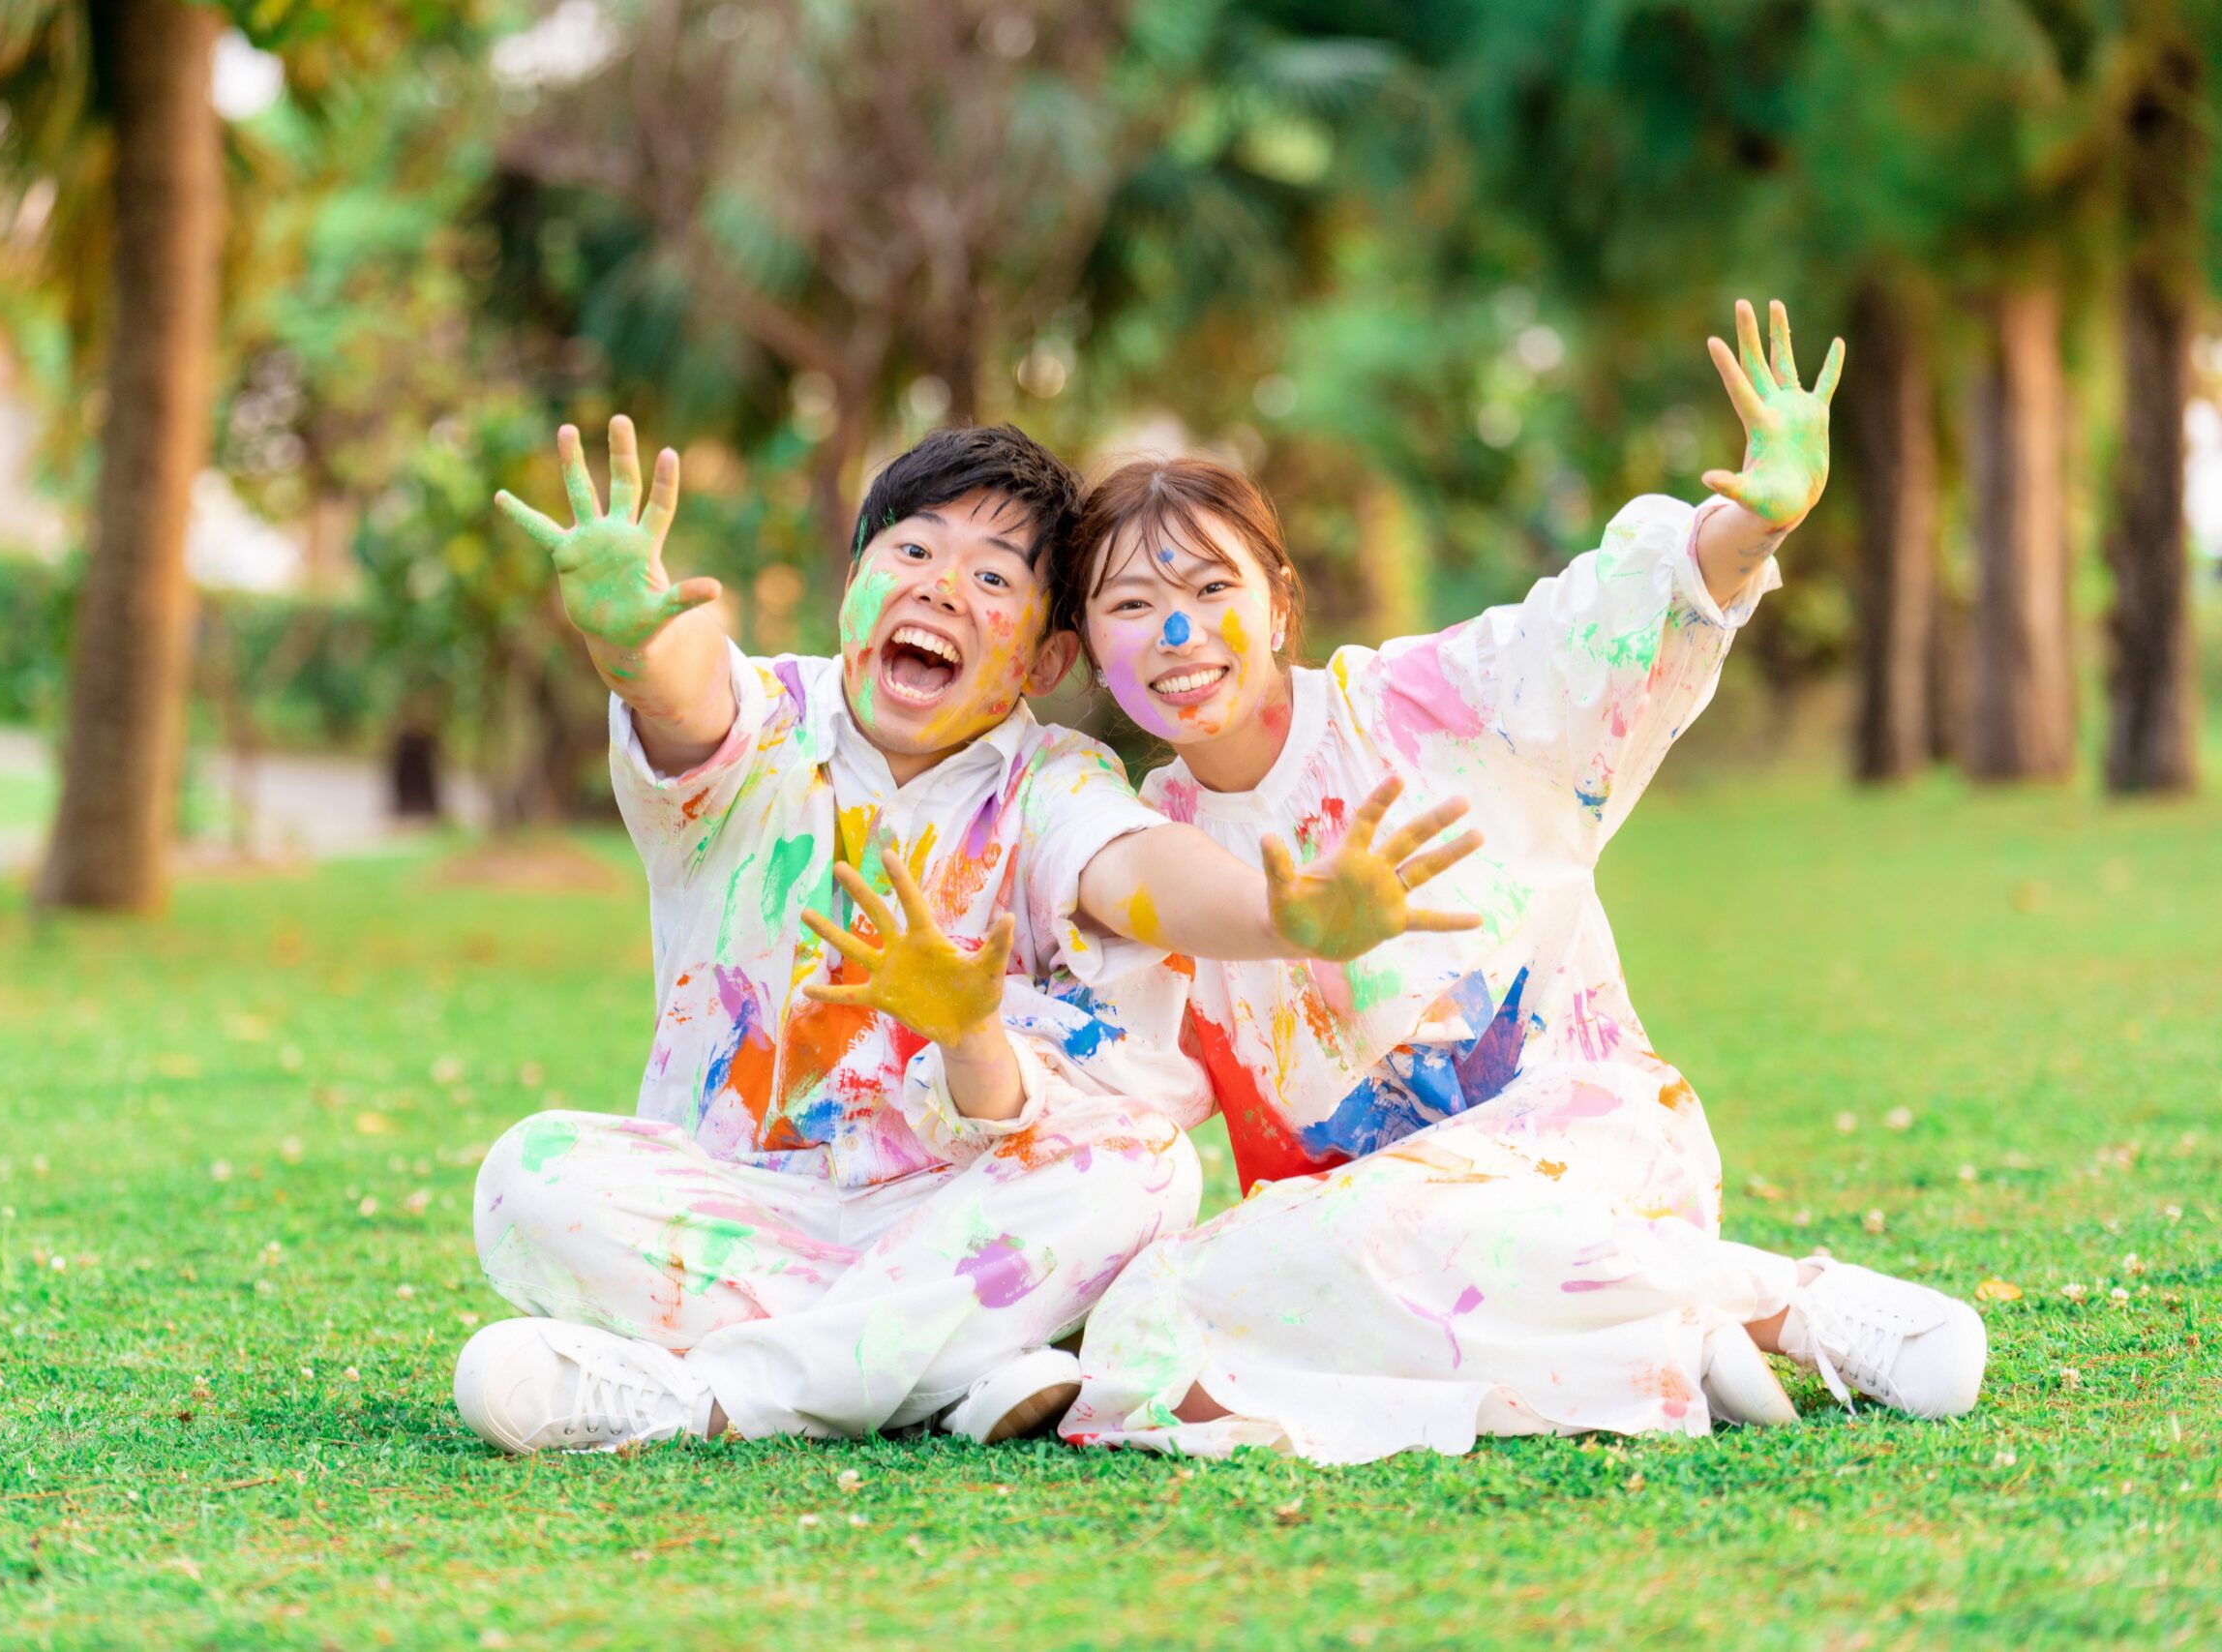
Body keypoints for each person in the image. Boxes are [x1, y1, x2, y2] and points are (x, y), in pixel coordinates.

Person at [1054, 301, 1988, 1463]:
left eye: (1208, 591)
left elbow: (1602, 622)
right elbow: (1098, 1063)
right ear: (1093, 650)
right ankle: (1667, 1343)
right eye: (1131, 607)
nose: (1177, 634)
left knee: (1375, 1226)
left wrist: (1753, 526)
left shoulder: (1424, 705)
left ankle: (1783, 1302)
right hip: (1365, 1240)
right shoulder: (1147, 849)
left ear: (1280, 603)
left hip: (1584, 1161)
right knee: (1161, 1308)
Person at [452, 418, 1479, 1453]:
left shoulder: (1053, 782)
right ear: (853, 579)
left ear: (1046, 658)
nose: (942, 588)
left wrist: (1277, 917)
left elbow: (1137, 874)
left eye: (993, 579)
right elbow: (683, 691)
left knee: (1147, 1167)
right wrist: (629, 637)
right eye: (911, 551)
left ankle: (705, 1400)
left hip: (965, 1217)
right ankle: (956, 1369)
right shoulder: (767, 722)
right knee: (530, 1175)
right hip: (749, 1212)